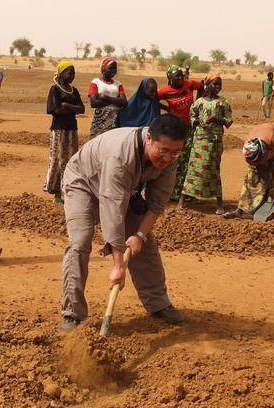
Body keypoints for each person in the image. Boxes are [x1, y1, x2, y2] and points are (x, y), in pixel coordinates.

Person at [59, 114, 187, 332]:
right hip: (84, 181)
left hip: (124, 189)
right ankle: (72, 312)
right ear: (149, 139)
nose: (167, 158)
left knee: (145, 245)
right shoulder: (119, 156)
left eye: (175, 152)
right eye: (163, 151)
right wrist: (119, 266)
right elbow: (112, 212)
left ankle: (158, 303)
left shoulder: (170, 160)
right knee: (80, 242)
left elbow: (156, 205)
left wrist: (139, 236)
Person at [178, 73, 233, 214]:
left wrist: (216, 119)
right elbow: (192, 116)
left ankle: (219, 204)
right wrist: (197, 122)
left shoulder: (223, 102)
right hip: (199, 141)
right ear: (207, 85)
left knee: (213, 170)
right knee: (193, 169)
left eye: (219, 84)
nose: (218, 87)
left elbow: (228, 121)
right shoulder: (199, 102)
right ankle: (182, 201)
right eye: (215, 84)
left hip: (214, 142)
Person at [223, 123, 274, 219]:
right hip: (260, 142)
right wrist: (268, 185)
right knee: (251, 179)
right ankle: (240, 210)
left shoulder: (273, 139)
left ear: (264, 153)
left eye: (261, 161)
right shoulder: (249, 152)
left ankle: (269, 206)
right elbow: (260, 170)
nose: (260, 164)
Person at [158, 65, 204, 200]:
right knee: (175, 158)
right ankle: (172, 191)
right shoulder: (165, 91)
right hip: (175, 128)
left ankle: (186, 192)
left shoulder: (188, 84)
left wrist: (197, 102)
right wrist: (167, 108)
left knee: (189, 158)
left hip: (190, 127)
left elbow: (201, 86)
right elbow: (152, 98)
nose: (180, 78)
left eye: (181, 75)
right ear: (170, 78)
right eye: (177, 76)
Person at [45, 61, 85, 204]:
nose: (72, 75)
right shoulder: (54, 89)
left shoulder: (74, 91)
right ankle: (56, 193)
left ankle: (68, 191)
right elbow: (54, 109)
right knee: (58, 159)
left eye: (73, 73)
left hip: (72, 129)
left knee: (71, 160)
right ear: (61, 74)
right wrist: (72, 109)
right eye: (70, 72)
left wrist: (67, 105)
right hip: (59, 129)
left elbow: (82, 109)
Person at [87, 57, 127, 137]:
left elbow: (124, 102)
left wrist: (106, 97)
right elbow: (94, 103)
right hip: (100, 122)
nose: (113, 70)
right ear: (103, 68)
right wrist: (115, 101)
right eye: (110, 68)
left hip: (114, 121)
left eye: (115, 68)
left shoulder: (118, 84)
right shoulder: (95, 82)